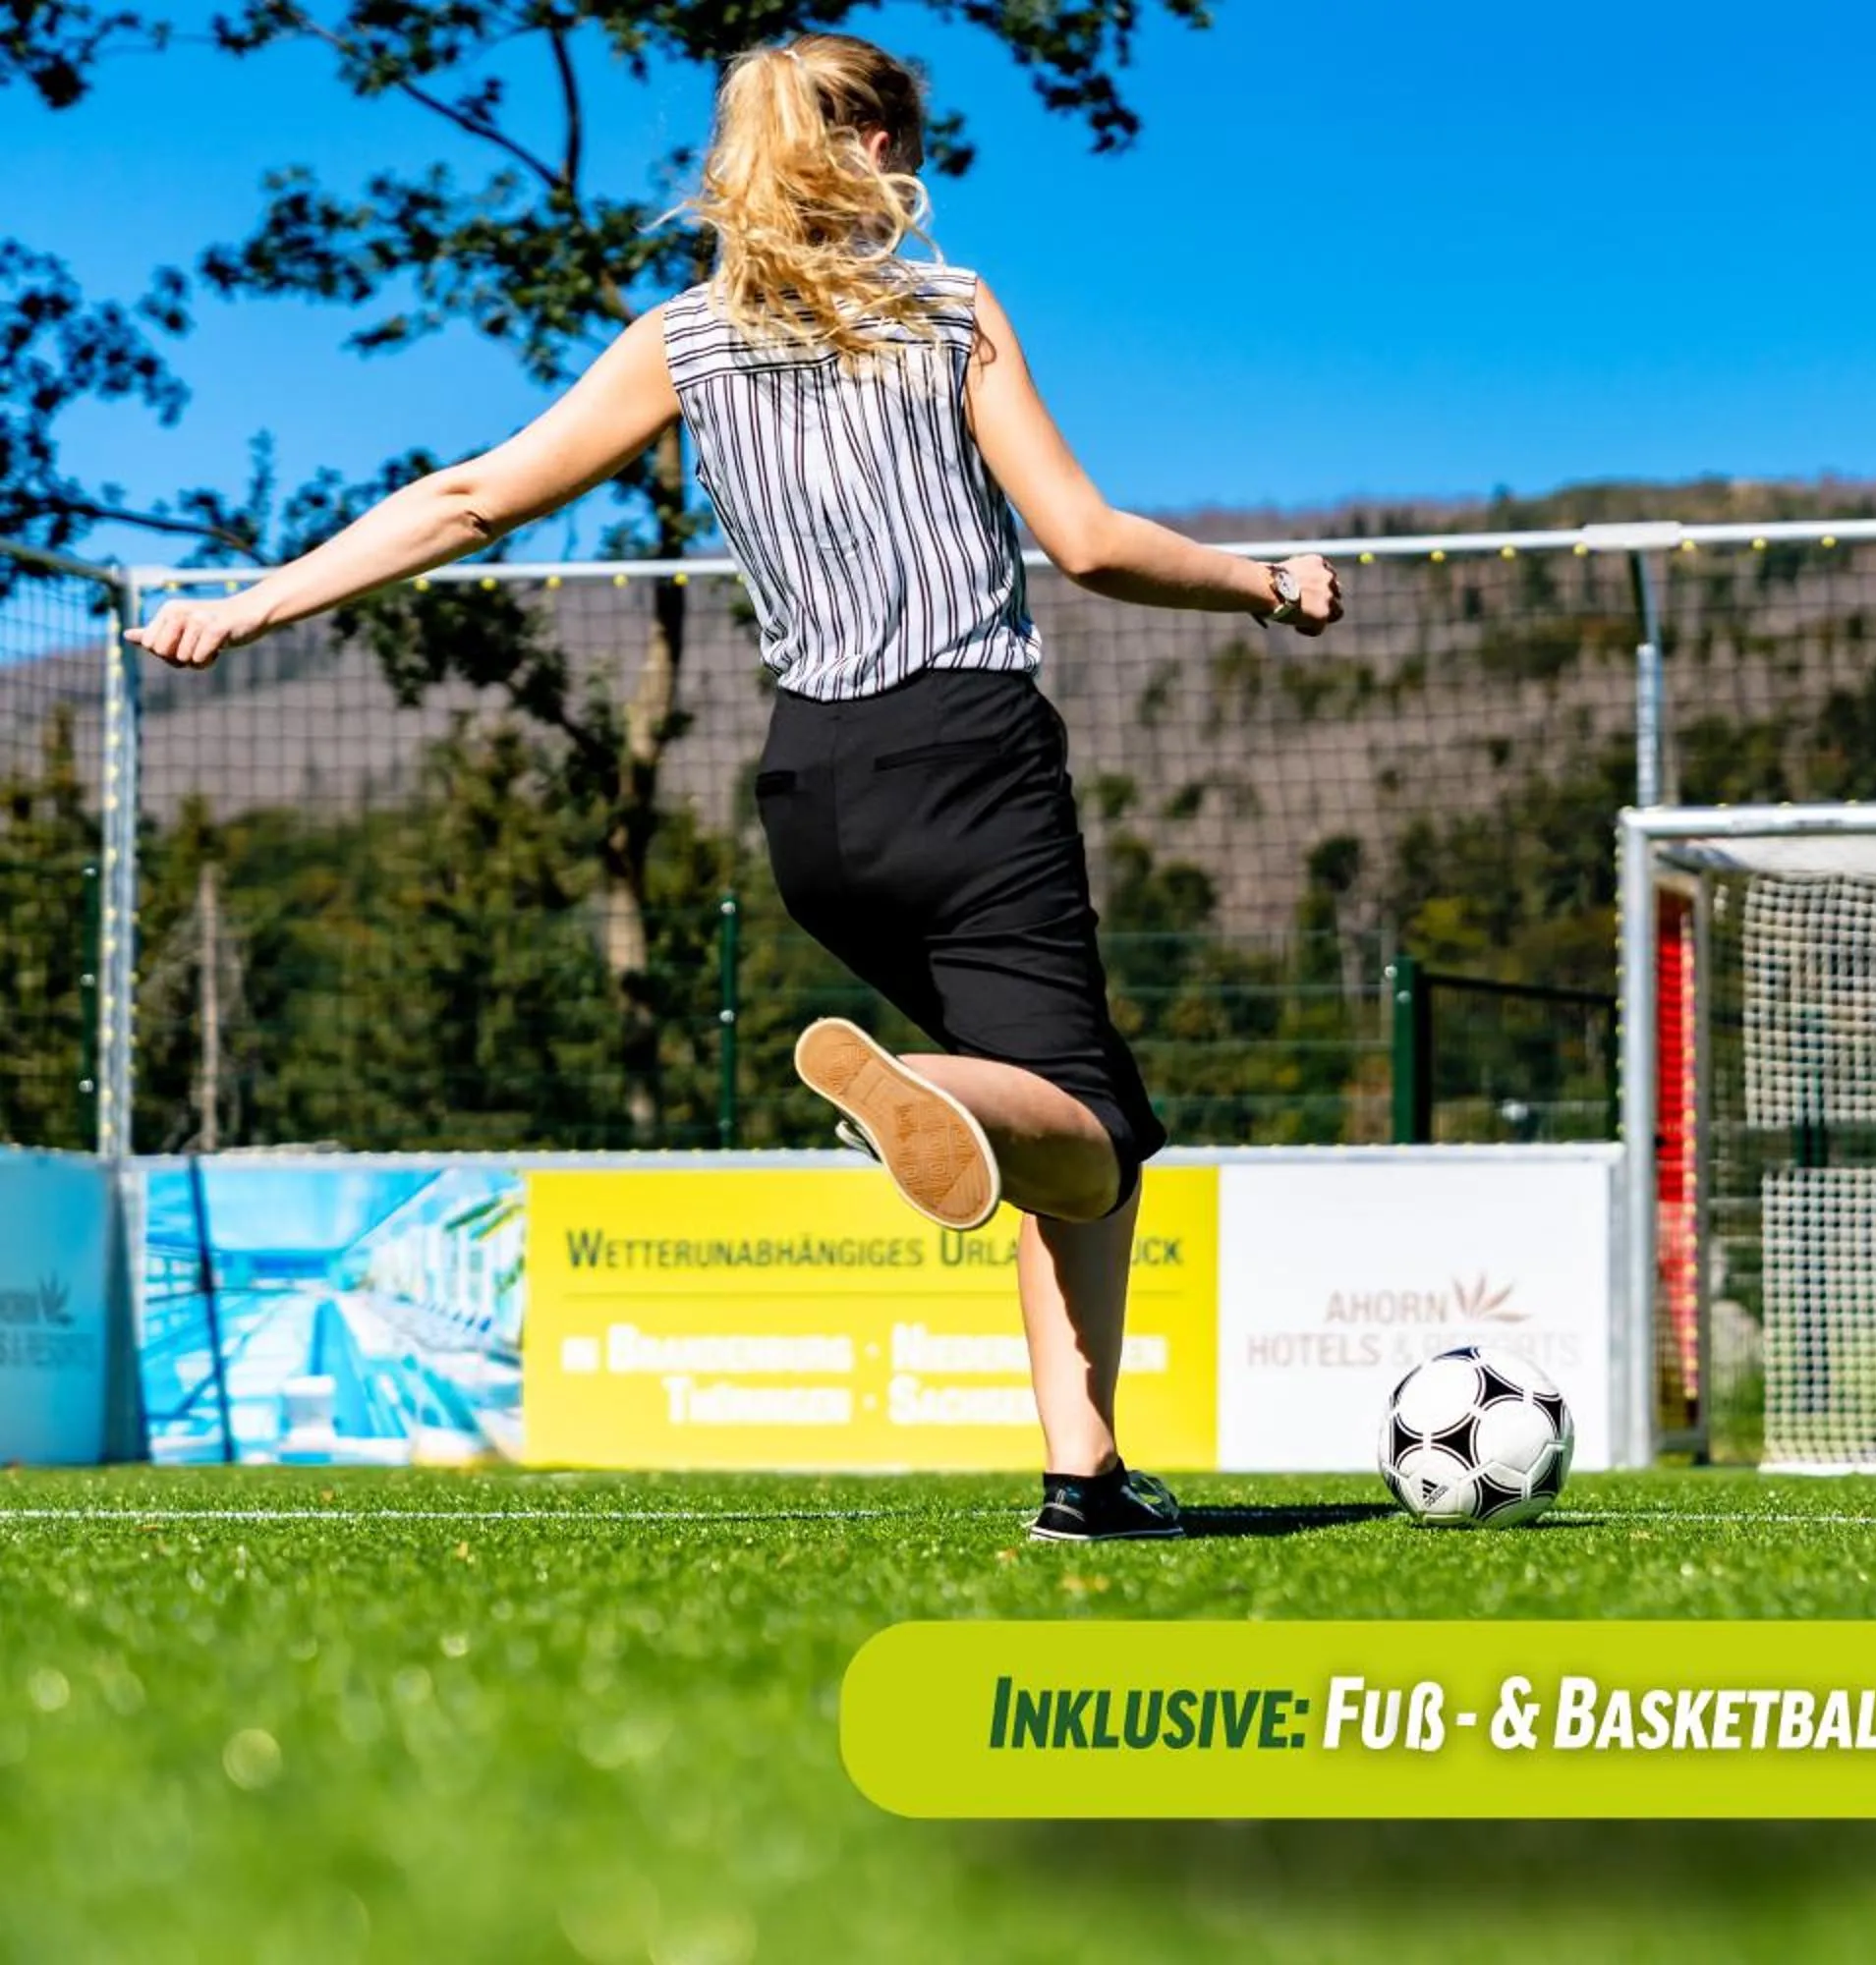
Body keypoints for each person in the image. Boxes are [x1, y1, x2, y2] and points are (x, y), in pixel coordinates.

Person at [122, 31, 1343, 1544]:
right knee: (1086, 1123)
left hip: (810, 793)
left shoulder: (681, 341)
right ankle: (961, 1162)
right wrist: (1265, 583)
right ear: (885, 152)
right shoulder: (952, 312)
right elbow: (1086, 542)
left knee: (1053, 1119)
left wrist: (252, 605)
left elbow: (471, 496)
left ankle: (1081, 1461)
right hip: (968, 753)